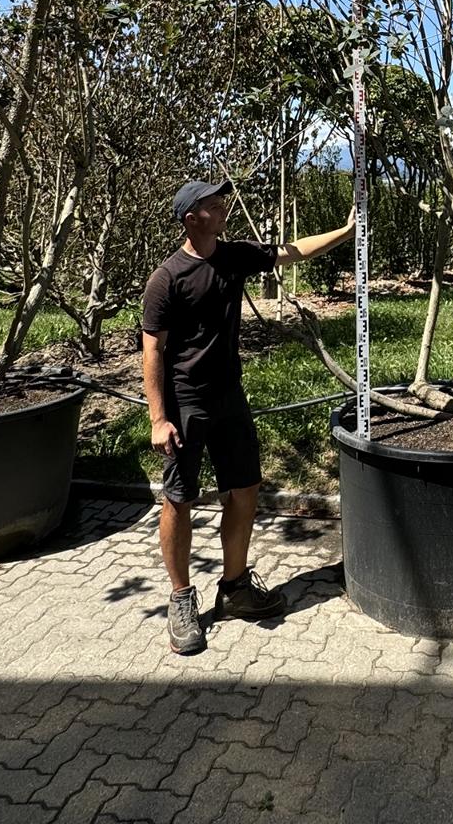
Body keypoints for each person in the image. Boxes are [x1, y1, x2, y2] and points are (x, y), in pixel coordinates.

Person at [142, 178, 354, 655]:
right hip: (186, 402)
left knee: (246, 488)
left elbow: (291, 252)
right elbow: (151, 349)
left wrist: (346, 231)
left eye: (220, 201)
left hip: (229, 397)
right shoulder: (167, 279)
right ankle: (181, 600)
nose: (223, 207)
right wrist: (159, 418)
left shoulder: (234, 255)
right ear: (190, 217)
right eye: (213, 204)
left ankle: (235, 587)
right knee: (179, 498)